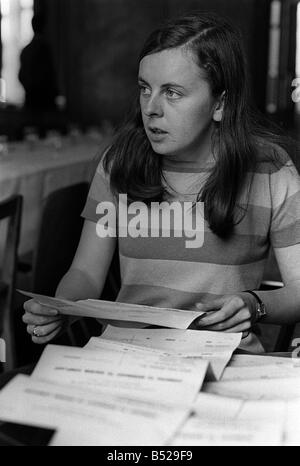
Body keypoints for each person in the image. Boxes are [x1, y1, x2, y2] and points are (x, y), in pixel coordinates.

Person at [23, 12, 300, 352]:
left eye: (172, 93)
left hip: (223, 359)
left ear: (220, 104)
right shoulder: (119, 164)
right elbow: (85, 273)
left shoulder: (270, 169)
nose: (151, 108)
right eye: (145, 89)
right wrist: (63, 306)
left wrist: (254, 304)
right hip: (126, 355)